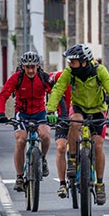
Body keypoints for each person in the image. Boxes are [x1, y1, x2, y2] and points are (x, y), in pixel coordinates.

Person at [46, 43, 109, 205]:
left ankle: (100, 184)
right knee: (75, 123)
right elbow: (58, 89)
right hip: (79, 106)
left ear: (84, 62)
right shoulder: (69, 72)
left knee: (99, 145)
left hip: (97, 109)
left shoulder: (99, 71)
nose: (69, 64)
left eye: (73, 61)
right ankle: (73, 160)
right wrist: (51, 110)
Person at [0, 51, 53, 192]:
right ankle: (19, 177)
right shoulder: (17, 78)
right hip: (22, 114)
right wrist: (1, 113)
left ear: (38, 66)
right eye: (27, 67)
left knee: (46, 136)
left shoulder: (43, 78)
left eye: (33, 67)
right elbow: (3, 95)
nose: (30, 70)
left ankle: (43, 159)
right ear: (22, 67)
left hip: (40, 113)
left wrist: (57, 112)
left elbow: (56, 94)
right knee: (21, 140)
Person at [48, 70, 72, 198]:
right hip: (64, 116)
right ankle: (62, 184)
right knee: (61, 147)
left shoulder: (89, 76)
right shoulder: (59, 76)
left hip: (82, 116)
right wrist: (50, 111)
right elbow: (51, 91)